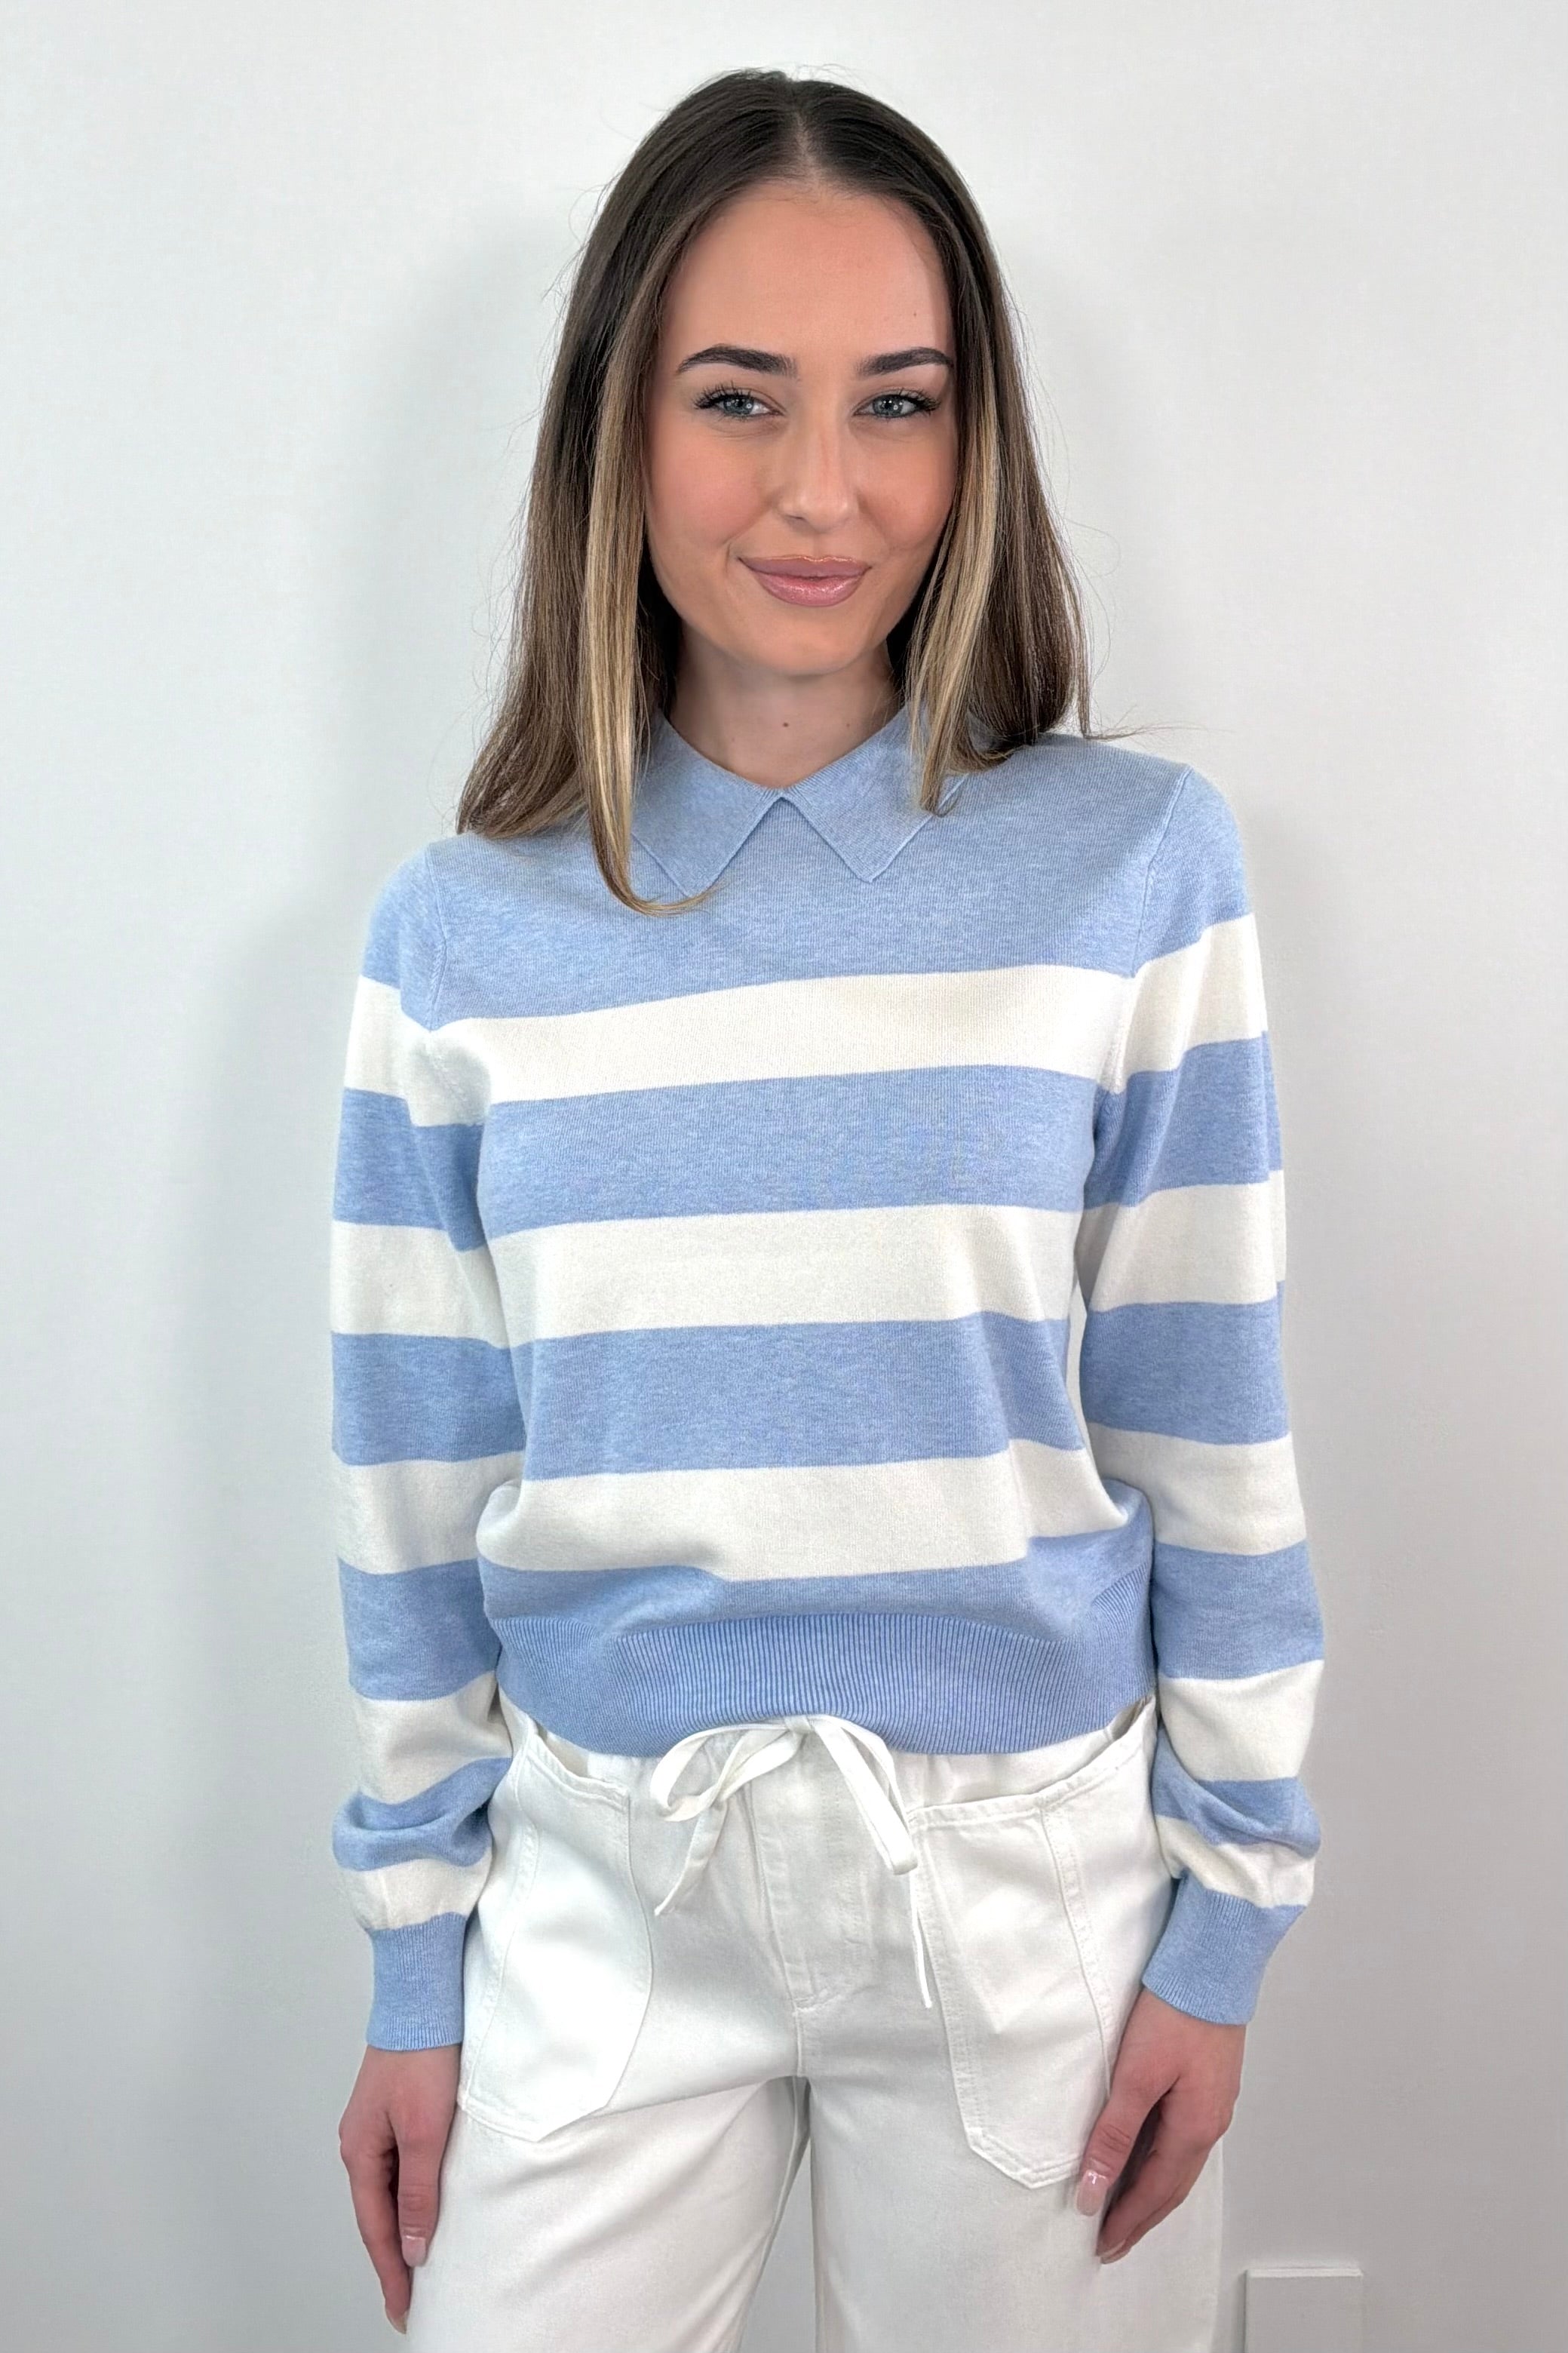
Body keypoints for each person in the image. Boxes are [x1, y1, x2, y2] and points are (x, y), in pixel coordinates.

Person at [327, 66, 1324, 2353]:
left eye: (897, 404)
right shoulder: (457, 935)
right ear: (618, 428)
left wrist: (1229, 1913)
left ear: (975, 447)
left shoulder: (1133, 872)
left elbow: (1207, 1415)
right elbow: (415, 1491)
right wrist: (411, 1952)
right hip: (598, 1890)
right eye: (738, 399)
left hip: (1027, 1893)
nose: (820, 491)